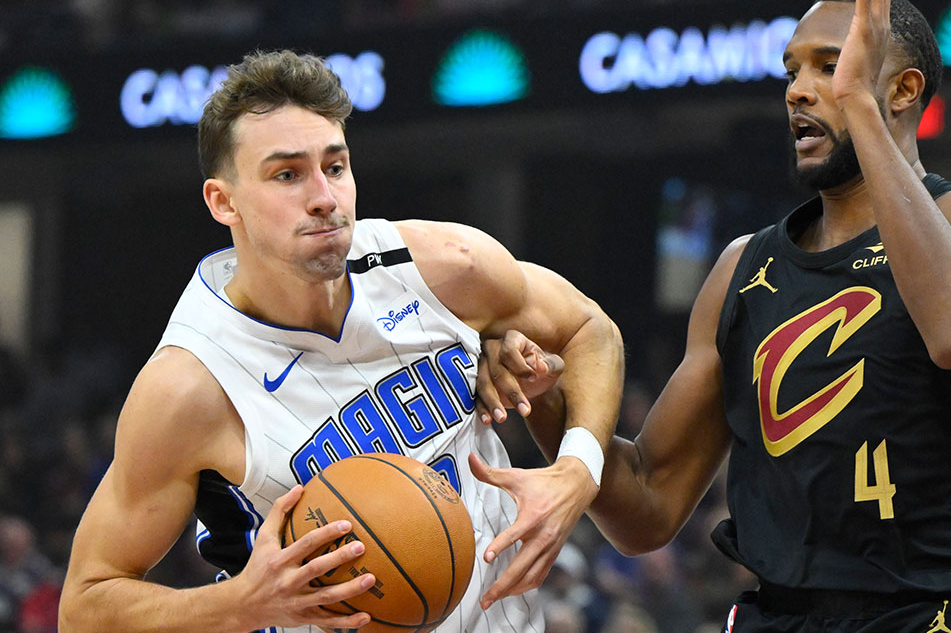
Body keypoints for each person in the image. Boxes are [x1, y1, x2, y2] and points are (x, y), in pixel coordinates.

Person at [475, 0, 951, 630]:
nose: (799, 90)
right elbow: (649, 505)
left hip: (939, 612)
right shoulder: (743, 267)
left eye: (830, 66)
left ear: (902, 90)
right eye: (791, 71)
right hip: (780, 615)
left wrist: (856, 102)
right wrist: (545, 401)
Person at [57, 49, 624, 632]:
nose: (325, 196)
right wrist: (238, 604)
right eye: (287, 174)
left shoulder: (445, 268)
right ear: (223, 201)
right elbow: (84, 608)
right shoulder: (191, 385)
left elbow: (590, 330)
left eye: (335, 166)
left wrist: (576, 472)